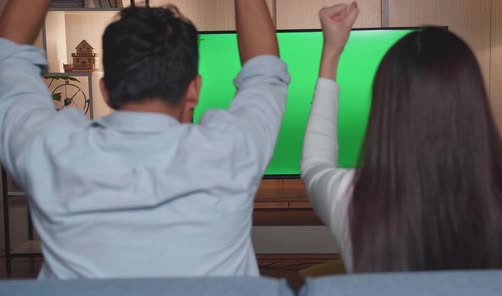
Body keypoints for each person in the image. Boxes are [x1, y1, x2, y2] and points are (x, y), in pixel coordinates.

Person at [0, 0, 289, 278]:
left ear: (105, 90)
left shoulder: (51, 151)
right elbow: (264, 76)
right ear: (194, 90)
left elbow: (8, 62)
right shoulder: (233, 151)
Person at [301, 2, 502, 272]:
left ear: (384, 108)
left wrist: (331, 53)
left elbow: (315, 165)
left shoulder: (348, 197)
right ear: (473, 106)